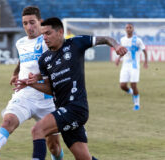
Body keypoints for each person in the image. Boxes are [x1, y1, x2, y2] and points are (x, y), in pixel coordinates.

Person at [14, 17, 127, 160]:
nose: (44, 38)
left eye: (48, 33)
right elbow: (50, 89)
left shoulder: (75, 43)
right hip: (63, 109)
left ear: (60, 32)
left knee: (38, 130)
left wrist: (116, 46)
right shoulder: (44, 60)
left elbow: (105, 38)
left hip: (76, 108)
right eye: (42, 34)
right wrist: (31, 84)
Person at [0, 7, 63, 160]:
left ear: (40, 22)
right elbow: (23, 59)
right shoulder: (20, 43)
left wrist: (37, 77)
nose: (29, 27)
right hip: (24, 94)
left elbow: (58, 65)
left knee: (54, 147)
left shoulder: (49, 40)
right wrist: (16, 72)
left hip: (47, 98)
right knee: (8, 121)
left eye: (32, 22)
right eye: (25, 23)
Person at [115, 23, 148, 111]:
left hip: (134, 65)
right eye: (127, 27)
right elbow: (123, 51)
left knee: (133, 85)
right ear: (125, 29)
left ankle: (137, 104)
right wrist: (118, 59)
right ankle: (132, 92)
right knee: (122, 86)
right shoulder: (122, 40)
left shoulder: (137, 40)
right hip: (125, 65)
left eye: (130, 27)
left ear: (133, 29)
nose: (128, 29)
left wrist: (145, 62)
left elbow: (144, 50)